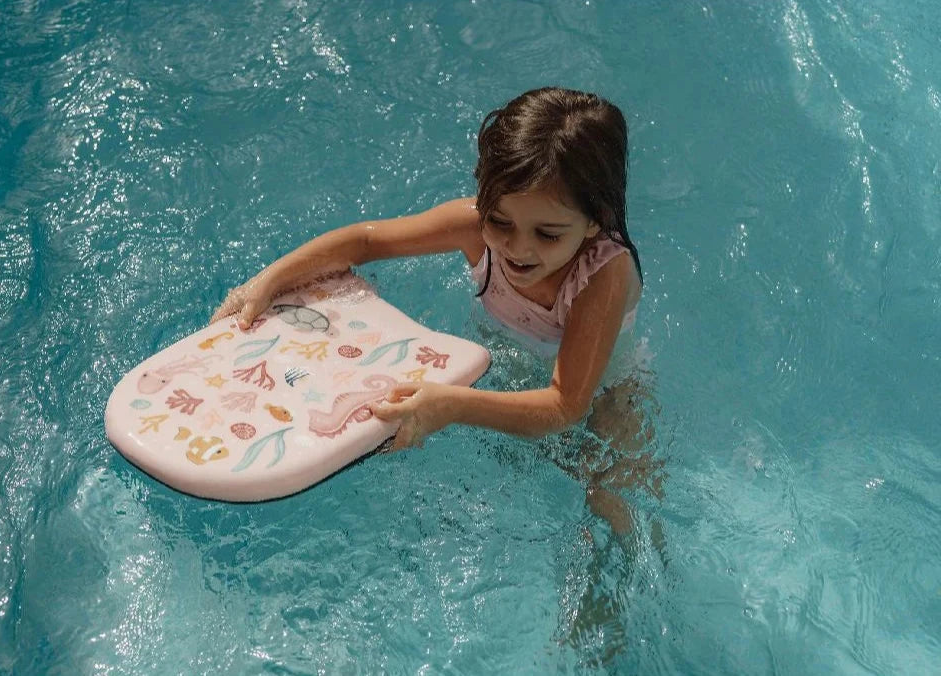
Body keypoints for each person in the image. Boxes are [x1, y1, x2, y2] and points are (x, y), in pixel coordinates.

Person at [211, 87, 657, 533]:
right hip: (504, 379)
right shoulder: (472, 226)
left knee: (613, 514)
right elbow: (365, 242)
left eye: (548, 234)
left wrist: (453, 405)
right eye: (499, 221)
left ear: (595, 220)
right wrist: (271, 279)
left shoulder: (604, 275)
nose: (517, 248)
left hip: (604, 399)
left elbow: (565, 405)